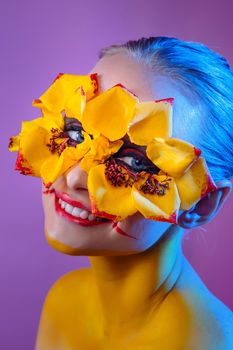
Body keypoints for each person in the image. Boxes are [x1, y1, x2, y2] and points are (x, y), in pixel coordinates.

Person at [28, 36, 233, 349]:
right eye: (75, 131)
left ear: (201, 202)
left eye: (134, 160)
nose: (74, 177)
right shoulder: (64, 299)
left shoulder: (204, 342)